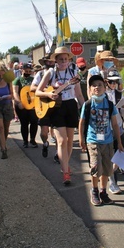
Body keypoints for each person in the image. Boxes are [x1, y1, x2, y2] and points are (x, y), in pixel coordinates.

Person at [36, 46, 85, 185]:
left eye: (66, 59)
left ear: (69, 60)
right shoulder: (50, 72)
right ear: (56, 60)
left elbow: (78, 94)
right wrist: (48, 94)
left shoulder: (73, 71)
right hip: (56, 107)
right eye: (61, 59)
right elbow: (38, 92)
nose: (64, 61)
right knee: (62, 141)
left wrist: (85, 107)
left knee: (69, 140)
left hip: (70, 106)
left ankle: (65, 165)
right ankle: (66, 173)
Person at [79, 74, 124, 206]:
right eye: (94, 85)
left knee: (106, 169)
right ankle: (94, 190)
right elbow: (81, 122)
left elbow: (115, 124)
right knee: (95, 167)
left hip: (108, 141)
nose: (97, 87)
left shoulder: (110, 105)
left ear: (105, 87)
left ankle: (103, 192)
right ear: (90, 89)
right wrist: (81, 139)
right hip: (93, 141)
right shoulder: (88, 104)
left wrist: (119, 143)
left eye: (99, 85)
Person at [105, 69, 124, 195]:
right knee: (110, 156)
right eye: (111, 82)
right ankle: (113, 183)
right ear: (106, 82)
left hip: (119, 127)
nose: (114, 84)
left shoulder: (120, 94)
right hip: (106, 128)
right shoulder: (102, 95)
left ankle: (114, 173)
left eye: (116, 81)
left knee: (121, 152)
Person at [31, 55, 57, 159]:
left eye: (52, 61)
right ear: (45, 62)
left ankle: (57, 154)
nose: (50, 63)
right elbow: (32, 87)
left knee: (58, 132)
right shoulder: (40, 74)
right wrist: (45, 90)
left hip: (56, 105)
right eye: (48, 61)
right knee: (44, 132)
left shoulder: (58, 73)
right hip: (43, 104)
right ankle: (45, 143)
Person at [12, 63, 39, 148]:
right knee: (24, 123)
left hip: (33, 105)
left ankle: (32, 139)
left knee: (34, 122)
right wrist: (19, 102)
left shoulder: (34, 79)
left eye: (29, 71)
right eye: (26, 71)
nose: (28, 72)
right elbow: (15, 92)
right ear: (22, 70)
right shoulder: (17, 80)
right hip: (22, 106)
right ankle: (25, 141)